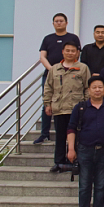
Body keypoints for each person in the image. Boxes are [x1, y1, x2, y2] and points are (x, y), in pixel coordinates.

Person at [66, 77, 104, 207]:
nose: (97, 90)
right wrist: (71, 149)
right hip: (85, 150)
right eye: (94, 87)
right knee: (84, 186)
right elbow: (71, 128)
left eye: (100, 87)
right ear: (89, 90)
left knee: (101, 186)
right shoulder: (80, 108)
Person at [44, 41, 90, 172]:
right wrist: (47, 104)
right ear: (63, 52)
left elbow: (87, 88)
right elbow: (48, 87)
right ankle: (59, 162)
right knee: (60, 136)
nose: (70, 53)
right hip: (59, 107)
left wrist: (86, 105)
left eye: (73, 51)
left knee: (77, 136)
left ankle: (76, 161)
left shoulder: (83, 68)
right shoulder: (54, 69)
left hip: (77, 108)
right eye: (67, 50)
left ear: (77, 53)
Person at [35, 13, 81, 144]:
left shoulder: (73, 38)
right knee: (47, 103)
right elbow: (42, 57)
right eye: (56, 21)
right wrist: (52, 70)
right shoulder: (48, 38)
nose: (59, 23)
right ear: (53, 23)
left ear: (66, 23)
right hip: (51, 74)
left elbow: (77, 54)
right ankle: (44, 134)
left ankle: (72, 133)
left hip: (69, 74)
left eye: (61, 21)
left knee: (71, 102)